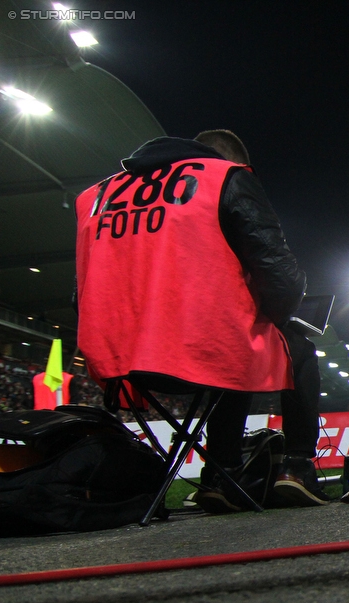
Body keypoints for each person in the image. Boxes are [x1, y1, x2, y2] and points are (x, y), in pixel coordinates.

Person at [74, 130, 327, 513]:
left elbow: (80, 291)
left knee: (237, 340)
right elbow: (282, 278)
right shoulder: (225, 176)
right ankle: (295, 467)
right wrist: (276, 315)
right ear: (232, 161)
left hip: (117, 358)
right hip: (199, 349)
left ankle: (222, 474)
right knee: (289, 346)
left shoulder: (96, 196)